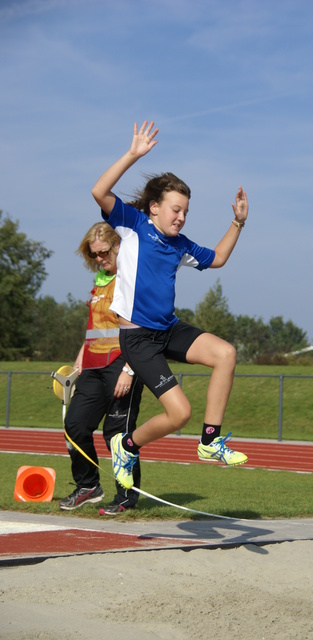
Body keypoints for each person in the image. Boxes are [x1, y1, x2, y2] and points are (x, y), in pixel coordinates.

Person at [91, 119, 248, 491]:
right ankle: (126, 446)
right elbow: (100, 190)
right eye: (175, 209)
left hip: (168, 329)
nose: (181, 216)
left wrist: (238, 223)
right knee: (179, 413)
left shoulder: (181, 244)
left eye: (186, 212)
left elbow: (219, 258)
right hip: (138, 338)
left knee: (225, 353)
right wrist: (132, 154)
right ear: (154, 208)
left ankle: (210, 441)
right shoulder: (131, 225)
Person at [59, 222, 144, 515]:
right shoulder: (100, 280)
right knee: (75, 426)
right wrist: (79, 361)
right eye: (93, 254)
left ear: (118, 246)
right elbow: (94, 328)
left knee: (117, 435)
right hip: (92, 367)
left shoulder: (132, 278)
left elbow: (144, 330)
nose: (99, 258)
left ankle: (126, 497)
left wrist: (130, 370)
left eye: (104, 252)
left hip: (123, 364)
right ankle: (88, 486)